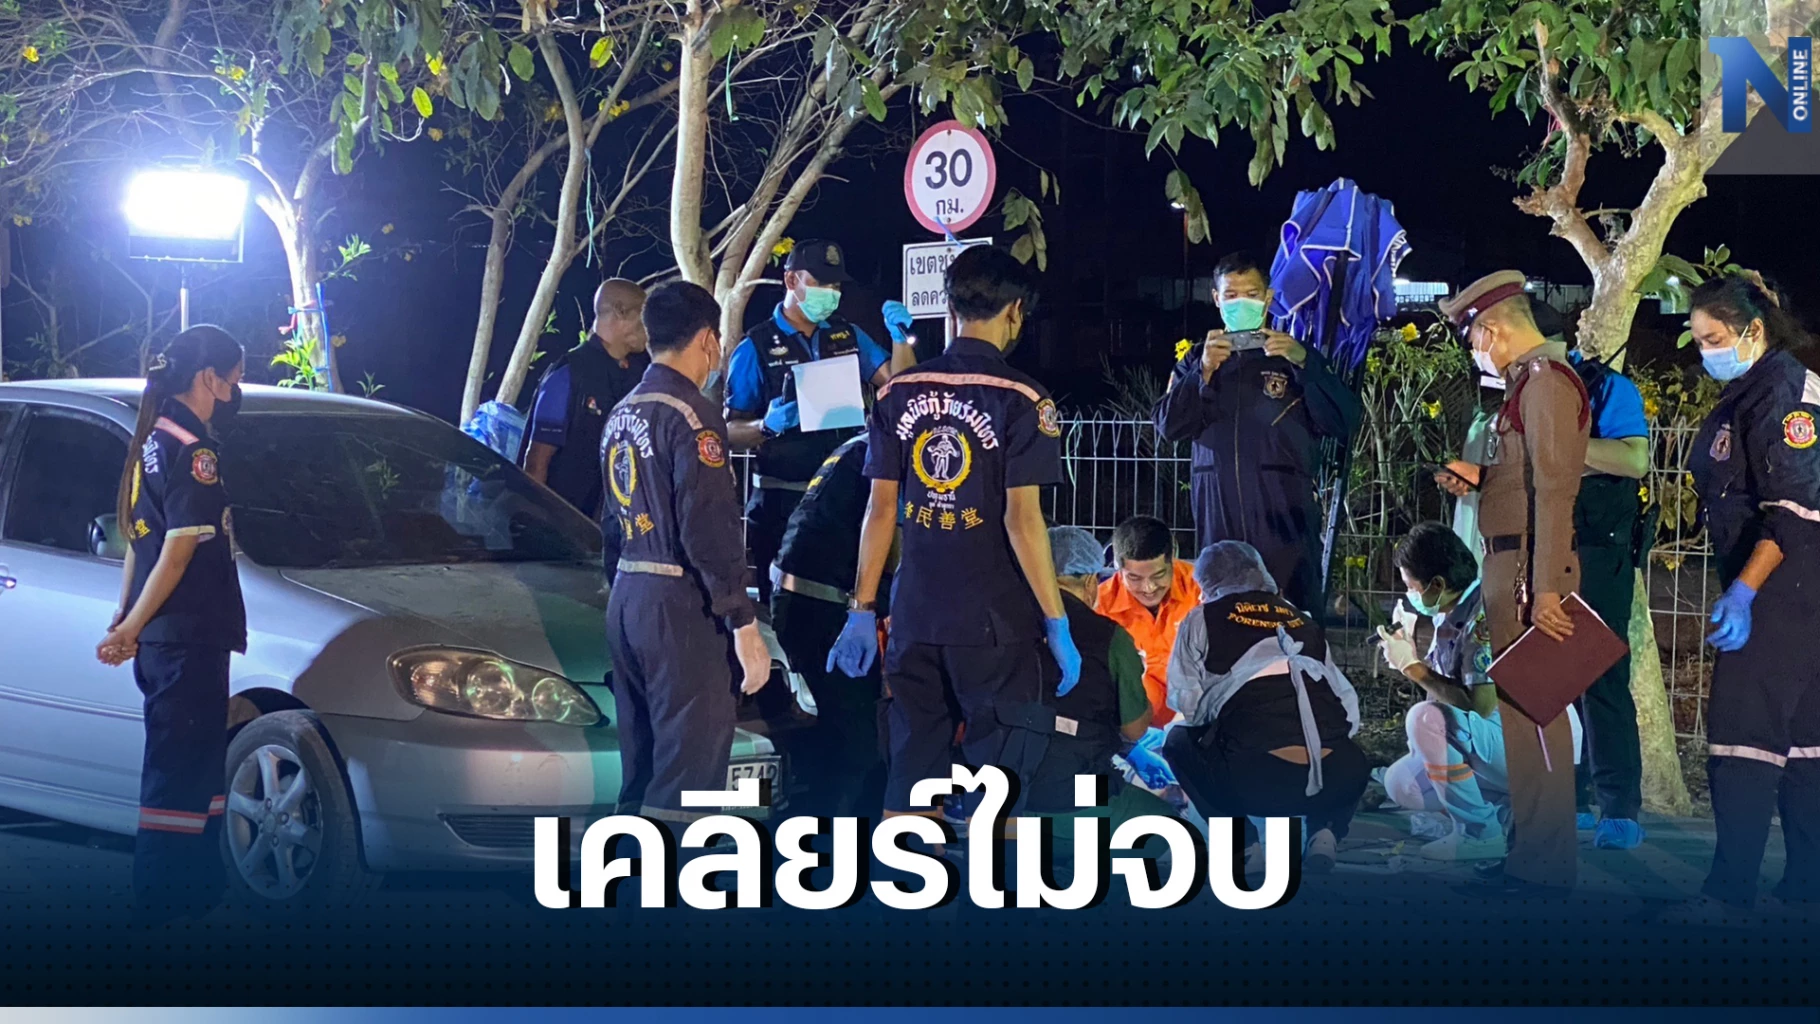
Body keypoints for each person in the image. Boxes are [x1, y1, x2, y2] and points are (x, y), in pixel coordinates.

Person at [827, 244, 1080, 829]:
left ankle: (907, 875)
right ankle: (998, 882)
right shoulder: (1024, 399)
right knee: (999, 784)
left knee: (912, 770)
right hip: (993, 625)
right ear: (1015, 311)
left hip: (914, 616)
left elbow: (880, 510)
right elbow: (1023, 521)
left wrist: (862, 609)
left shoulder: (896, 392)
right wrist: (1057, 620)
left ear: (950, 308)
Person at [1441, 298, 1651, 849]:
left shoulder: (1588, 387)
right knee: (1544, 694)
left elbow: (1630, 461)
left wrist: (1558, 444)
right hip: (1539, 553)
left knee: (1596, 683)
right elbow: (1530, 477)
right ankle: (1560, 817)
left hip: (1592, 552)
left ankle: (1613, 811)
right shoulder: (1524, 390)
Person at [1439, 270, 1589, 899]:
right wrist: (1480, 481)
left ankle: (1546, 868)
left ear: (1492, 329)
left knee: (1538, 722)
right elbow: (1525, 480)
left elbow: (1555, 490)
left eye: (1474, 338)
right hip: (1514, 565)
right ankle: (1529, 857)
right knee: (1523, 724)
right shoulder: (1527, 384)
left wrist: (1546, 586)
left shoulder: (1546, 382)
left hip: (1531, 570)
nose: (1476, 351)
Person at [601, 282, 771, 827]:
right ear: (707, 340)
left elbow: (609, 523)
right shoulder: (693, 416)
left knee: (643, 767)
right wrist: (743, 622)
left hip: (628, 594)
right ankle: (672, 877)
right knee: (689, 773)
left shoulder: (622, 412)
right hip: (679, 604)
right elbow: (709, 528)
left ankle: (625, 873)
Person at [95, 325, 248, 924]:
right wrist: (131, 626)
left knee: (192, 766)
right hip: (188, 634)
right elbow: (177, 551)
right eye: (234, 378)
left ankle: (197, 893)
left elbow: (139, 543)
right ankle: (168, 903)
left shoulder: (151, 442)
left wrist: (126, 617)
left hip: (168, 635)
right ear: (210, 378)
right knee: (181, 772)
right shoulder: (194, 450)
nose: (235, 391)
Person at [1683, 273, 1820, 919]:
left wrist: (1743, 591)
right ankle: (1805, 886)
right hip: (1794, 586)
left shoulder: (1783, 391)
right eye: (1698, 340)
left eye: (1713, 338)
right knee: (1806, 742)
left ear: (1753, 330)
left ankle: (1729, 893)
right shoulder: (1757, 387)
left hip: (1781, 585)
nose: (1704, 351)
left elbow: (1794, 507)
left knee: (1743, 738)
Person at [1152, 251, 1362, 610]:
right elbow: (1168, 426)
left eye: (1251, 294)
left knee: (1292, 612)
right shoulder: (1197, 360)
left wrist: (1304, 363)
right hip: (1218, 508)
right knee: (1224, 610)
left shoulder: (1294, 356)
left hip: (1284, 512)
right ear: (1216, 299)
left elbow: (1343, 421)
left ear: (1267, 298)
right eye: (1231, 295)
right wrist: (1202, 372)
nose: (1241, 303)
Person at [724, 240, 915, 602]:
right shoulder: (755, 347)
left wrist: (901, 340)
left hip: (846, 499)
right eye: (821, 282)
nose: (830, 292)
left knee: (851, 603)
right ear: (791, 280)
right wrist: (766, 426)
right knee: (784, 608)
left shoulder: (848, 336)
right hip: (783, 502)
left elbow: (899, 389)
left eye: (836, 285)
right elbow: (729, 432)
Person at [1162, 541, 1366, 875]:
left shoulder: (1203, 618)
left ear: (1207, 582)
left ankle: (1243, 846)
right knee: (1339, 742)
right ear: (1261, 574)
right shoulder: (1303, 621)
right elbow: (1349, 713)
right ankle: (1325, 833)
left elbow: (1188, 705)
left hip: (1254, 782)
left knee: (1177, 739)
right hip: (1339, 778)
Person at [770, 433, 886, 817]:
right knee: (859, 743)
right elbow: (893, 536)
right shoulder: (886, 454)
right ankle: (838, 836)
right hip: (828, 609)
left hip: (802, 601)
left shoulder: (858, 448)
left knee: (838, 732)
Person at [1021, 526, 1166, 832]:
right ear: (1090, 581)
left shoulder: (1001, 623)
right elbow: (1134, 728)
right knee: (1169, 825)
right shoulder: (1108, 637)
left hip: (996, 792)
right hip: (1069, 791)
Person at [523, 279, 650, 518]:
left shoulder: (640, 374)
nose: (648, 326)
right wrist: (537, 523)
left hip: (614, 523)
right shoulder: (569, 373)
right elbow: (537, 462)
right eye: (643, 316)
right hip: (566, 522)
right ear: (620, 311)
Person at [1096, 515, 1201, 726]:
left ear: (1173, 561)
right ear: (1118, 568)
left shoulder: (1201, 589)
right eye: (1134, 578)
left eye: (1158, 575)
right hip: (1130, 726)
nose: (1148, 588)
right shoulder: (1100, 605)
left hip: (1198, 719)